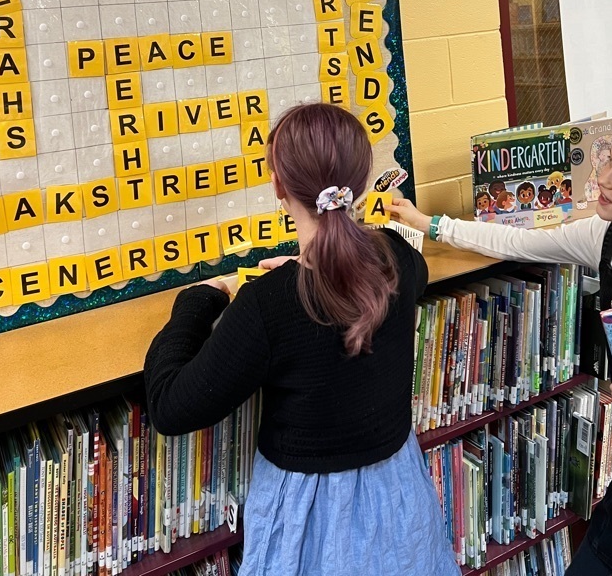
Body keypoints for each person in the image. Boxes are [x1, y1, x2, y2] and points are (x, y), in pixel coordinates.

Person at [144, 102, 459, 576]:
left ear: (278, 186)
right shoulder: (399, 259)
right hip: (399, 501)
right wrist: (313, 267)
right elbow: (380, 281)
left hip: (309, 520)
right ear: (360, 179)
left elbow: (170, 406)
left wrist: (198, 301)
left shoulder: (268, 307)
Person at [388, 114, 612, 576]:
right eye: (609, 163)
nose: (602, 179)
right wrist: (430, 224)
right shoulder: (607, 236)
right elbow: (520, 242)